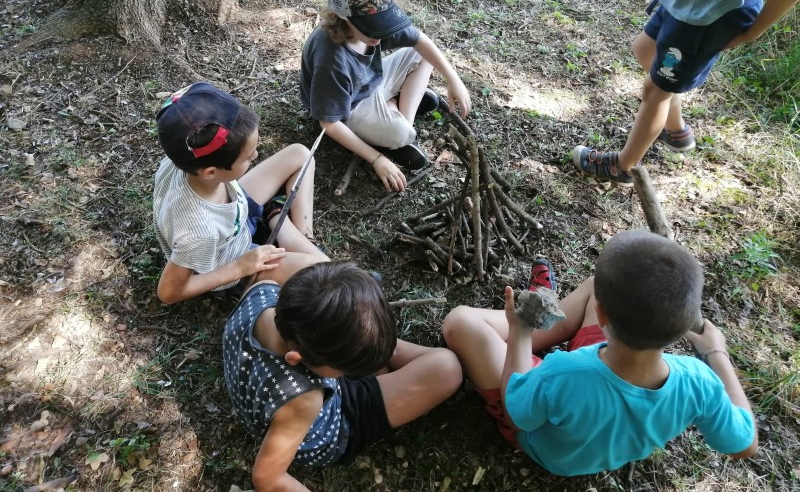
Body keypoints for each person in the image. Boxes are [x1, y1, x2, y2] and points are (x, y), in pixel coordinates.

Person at [442, 231, 758, 476]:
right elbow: (745, 445)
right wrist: (717, 353)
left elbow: (518, 417)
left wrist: (520, 333)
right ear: (681, 330)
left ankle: (531, 319)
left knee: (460, 322)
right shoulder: (699, 382)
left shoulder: (561, 373)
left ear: (601, 316)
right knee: (599, 284)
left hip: (546, 444)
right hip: (598, 414)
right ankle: (540, 311)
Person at [573, 0, 800, 186]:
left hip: (705, 13)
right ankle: (676, 131)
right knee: (645, 50)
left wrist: (752, 32)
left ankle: (623, 166)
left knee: (656, 91)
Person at [222, 261, 462, 492]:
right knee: (447, 368)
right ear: (297, 358)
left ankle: (364, 347)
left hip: (282, 393)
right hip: (335, 423)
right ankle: (373, 353)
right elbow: (266, 478)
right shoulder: (305, 399)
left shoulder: (261, 292)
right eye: (347, 368)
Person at [300, 0, 472, 192]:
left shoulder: (370, 28)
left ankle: (399, 112)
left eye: (384, 22)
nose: (380, 33)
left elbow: (420, 40)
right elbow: (328, 123)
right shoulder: (331, 59)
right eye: (374, 25)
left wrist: (453, 78)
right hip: (348, 107)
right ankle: (396, 115)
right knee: (401, 134)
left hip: (371, 79)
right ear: (342, 16)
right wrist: (376, 158)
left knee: (421, 56)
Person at [153, 82, 328, 304]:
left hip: (232, 213)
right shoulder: (198, 232)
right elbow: (169, 292)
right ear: (210, 172)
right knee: (324, 271)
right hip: (232, 259)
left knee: (300, 156)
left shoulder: (184, 155)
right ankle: (280, 224)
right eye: (247, 157)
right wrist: (240, 267)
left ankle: (302, 234)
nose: (255, 156)